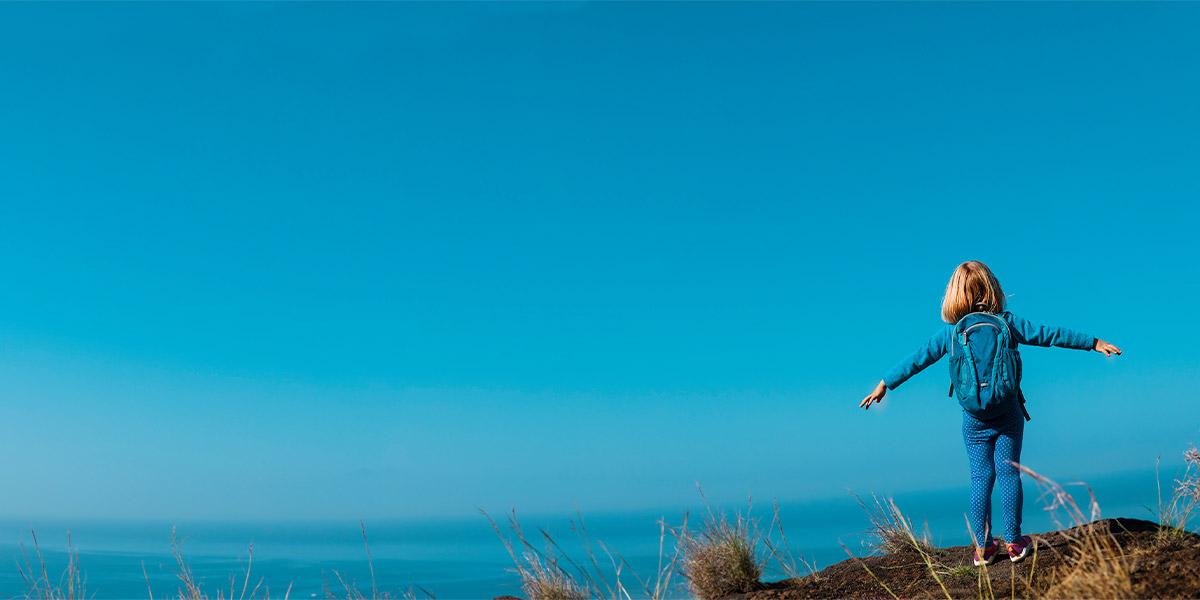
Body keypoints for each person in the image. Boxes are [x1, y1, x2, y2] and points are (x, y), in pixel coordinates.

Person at [858, 260, 1121, 565]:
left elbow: (916, 360)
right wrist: (1093, 343)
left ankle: (983, 548)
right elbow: (1050, 335)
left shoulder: (951, 334)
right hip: (1007, 412)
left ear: (954, 295)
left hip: (974, 418)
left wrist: (884, 384)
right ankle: (1013, 543)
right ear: (992, 288)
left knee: (980, 477)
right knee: (1009, 473)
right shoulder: (1006, 323)